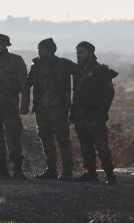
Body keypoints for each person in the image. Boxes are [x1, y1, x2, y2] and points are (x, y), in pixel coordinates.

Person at [0, 33, 30, 180]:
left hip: (10, 106)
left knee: (13, 138)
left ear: (4, 46)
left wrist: (25, 103)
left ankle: (18, 170)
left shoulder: (16, 61)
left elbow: (24, 84)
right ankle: (2, 169)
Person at [26, 37, 75, 180]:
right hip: (41, 109)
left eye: (42, 48)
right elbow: (27, 83)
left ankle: (67, 171)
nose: (39, 51)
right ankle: (51, 170)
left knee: (63, 140)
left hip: (58, 108)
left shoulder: (63, 64)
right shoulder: (36, 67)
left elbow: (81, 71)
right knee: (46, 140)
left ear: (50, 50)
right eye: (39, 49)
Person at [70, 41, 119, 184]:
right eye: (78, 53)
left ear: (90, 53)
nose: (79, 55)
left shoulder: (100, 71)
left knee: (101, 146)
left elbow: (108, 93)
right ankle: (91, 173)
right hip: (81, 115)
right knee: (85, 146)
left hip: (95, 115)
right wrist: (73, 112)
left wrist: (103, 112)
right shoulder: (78, 71)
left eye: (82, 52)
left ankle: (110, 175)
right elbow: (76, 94)